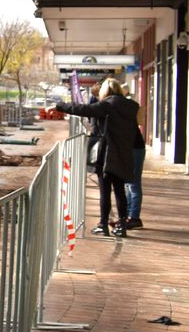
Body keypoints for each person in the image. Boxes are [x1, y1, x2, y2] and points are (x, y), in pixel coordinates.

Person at [56, 78, 139, 238]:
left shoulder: (107, 104)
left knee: (105, 191)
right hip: (123, 153)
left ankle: (103, 224)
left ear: (105, 91)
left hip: (106, 154)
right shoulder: (130, 107)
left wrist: (61, 106)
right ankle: (122, 225)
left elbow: (83, 109)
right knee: (120, 191)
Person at [123, 89, 145, 229]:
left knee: (133, 183)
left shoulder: (125, 108)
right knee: (128, 184)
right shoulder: (129, 106)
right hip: (132, 148)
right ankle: (128, 215)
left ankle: (134, 217)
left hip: (134, 149)